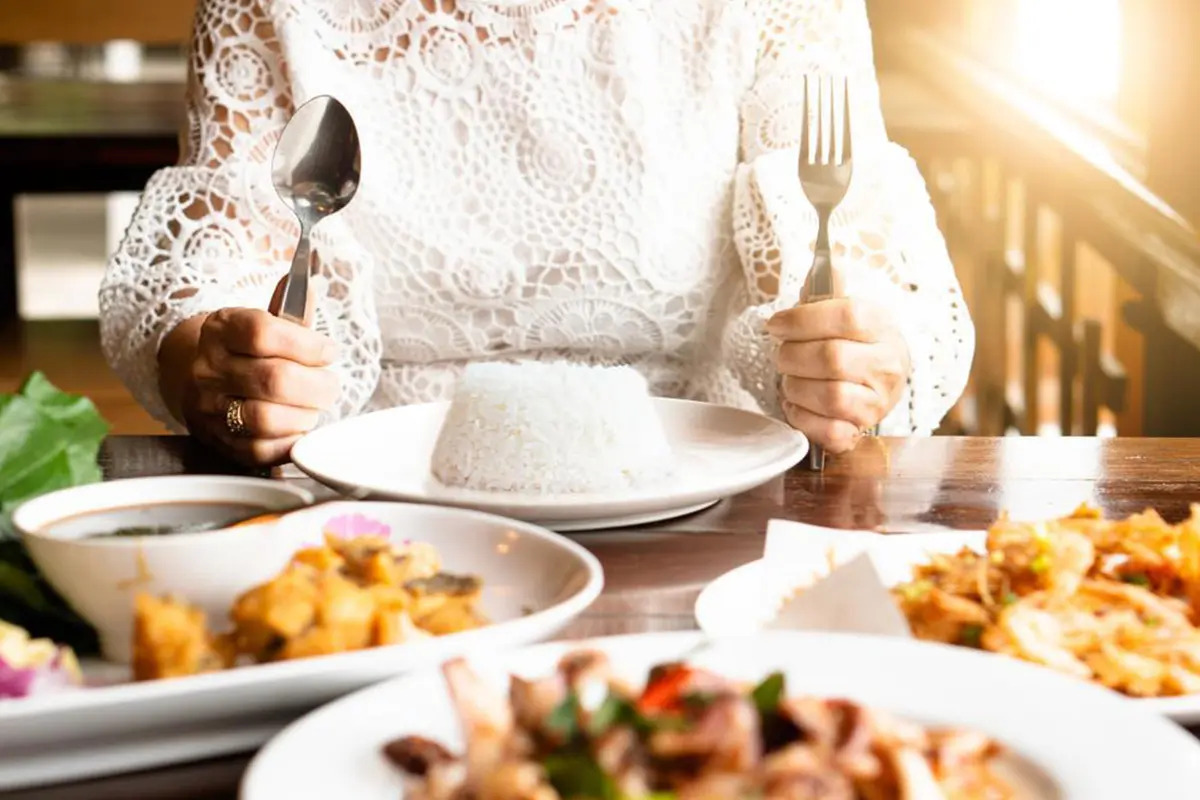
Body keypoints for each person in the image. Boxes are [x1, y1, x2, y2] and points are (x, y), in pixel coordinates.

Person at [100, 0, 974, 466]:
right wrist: (218, 366)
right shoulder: (268, 6)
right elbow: (215, 272)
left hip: (703, 495)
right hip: (379, 512)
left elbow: (856, 246)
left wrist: (857, 350)